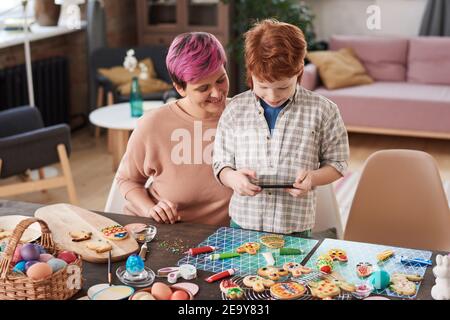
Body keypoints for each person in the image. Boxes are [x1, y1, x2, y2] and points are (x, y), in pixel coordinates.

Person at [213, 19, 349, 235]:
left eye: (283, 87)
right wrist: (232, 178)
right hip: (243, 225)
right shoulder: (235, 109)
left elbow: (338, 163)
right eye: (263, 86)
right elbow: (220, 163)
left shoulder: (324, 110)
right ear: (250, 74)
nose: (273, 96)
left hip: (295, 227)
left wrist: (313, 178)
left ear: (299, 71)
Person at [116, 32, 232, 226]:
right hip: (163, 230)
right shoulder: (153, 125)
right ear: (180, 88)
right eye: (203, 88)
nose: (216, 93)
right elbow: (127, 180)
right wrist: (150, 209)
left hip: (225, 237)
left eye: (221, 80)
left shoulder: (244, 115)